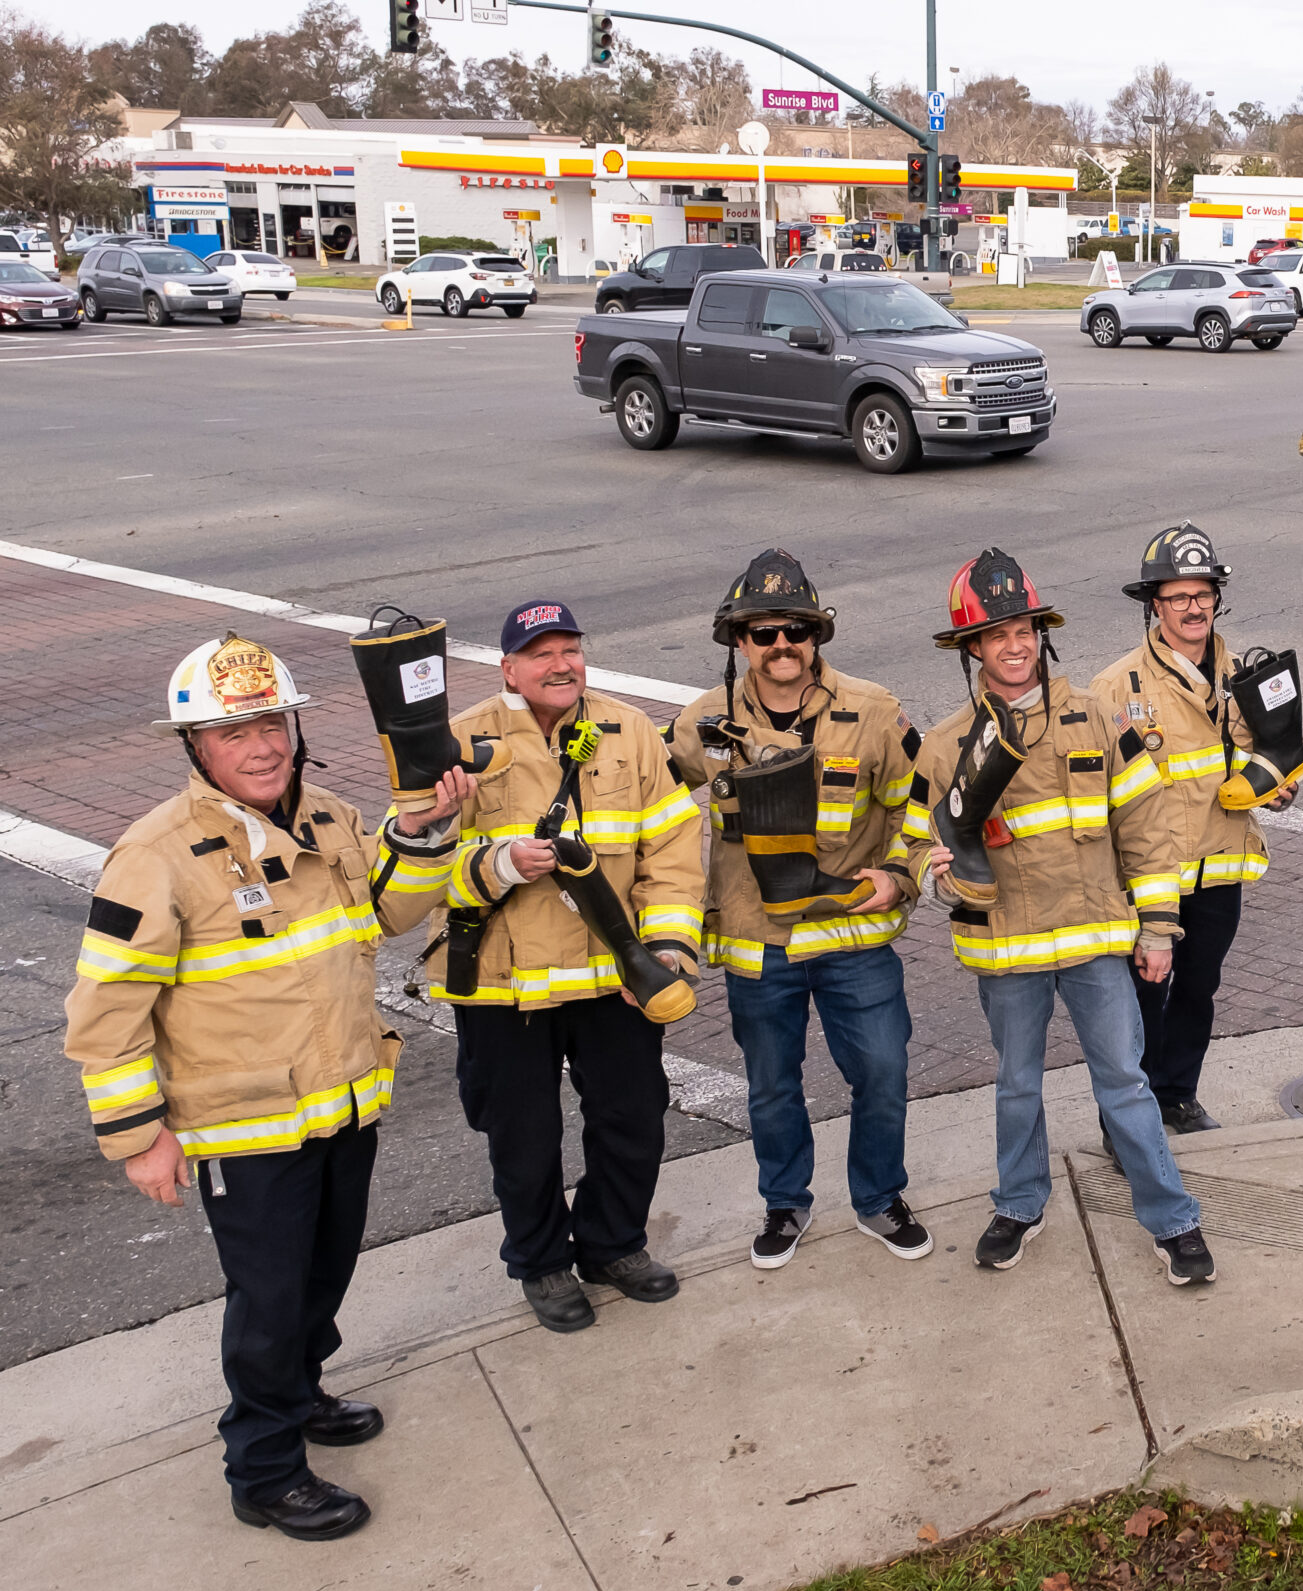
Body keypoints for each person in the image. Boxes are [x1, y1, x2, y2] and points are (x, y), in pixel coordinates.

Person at [65, 634, 467, 1540]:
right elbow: (106, 1009)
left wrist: (420, 834)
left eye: (271, 722)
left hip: (344, 1104)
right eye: (232, 729)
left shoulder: (325, 815)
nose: (261, 744)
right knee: (270, 1297)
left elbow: (391, 908)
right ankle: (265, 1466)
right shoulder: (155, 855)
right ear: (195, 746)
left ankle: (301, 1388)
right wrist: (138, 1135)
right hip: (246, 1133)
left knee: (323, 1273)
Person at [901, 548, 1219, 1285]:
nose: (1015, 645)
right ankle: (1018, 1203)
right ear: (971, 648)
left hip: (1095, 945)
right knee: (1016, 1085)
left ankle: (1173, 1221)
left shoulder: (1096, 718)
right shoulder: (948, 746)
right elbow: (912, 842)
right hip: (1005, 951)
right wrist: (937, 874)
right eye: (997, 634)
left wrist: (1159, 927)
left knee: (1127, 1084)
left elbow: (1147, 827)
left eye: (1026, 630)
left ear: (1042, 634)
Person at [429, 601, 707, 1333]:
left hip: (612, 975)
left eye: (571, 649)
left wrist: (669, 949)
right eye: (541, 652)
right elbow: (414, 874)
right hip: (501, 982)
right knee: (521, 1135)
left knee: (634, 1116)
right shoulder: (459, 742)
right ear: (508, 668)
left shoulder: (630, 731)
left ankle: (613, 1243)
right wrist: (496, 863)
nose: (561, 665)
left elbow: (673, 850)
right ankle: (543, 1261)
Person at [668, 551, 929, 1272]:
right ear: (738, 641)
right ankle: (785, 1201)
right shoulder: (704, 721)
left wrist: (901, 873)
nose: (782, 644)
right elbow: (638, 789)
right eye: (763, 632)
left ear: (817, 635)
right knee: (773, 1087)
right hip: (758, 949)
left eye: (796, 629)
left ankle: (879, 1197)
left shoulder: (873, 710)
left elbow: (924, 802)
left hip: (854, 941)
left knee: (882, 1070)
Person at [1097, 523, 1297, 1136]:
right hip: (1154, 877)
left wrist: (1280, 788)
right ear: (1154, 605)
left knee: (1198, 990)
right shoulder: (1116, 687)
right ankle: (1128, 1116)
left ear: (1217, 598)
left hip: (1222, 865)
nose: (1192, 607)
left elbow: (1271, 754)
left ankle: (1178, 1096)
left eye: (1202, 594)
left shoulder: (1250, 673)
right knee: (1142, 999)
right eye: (1178, 596)